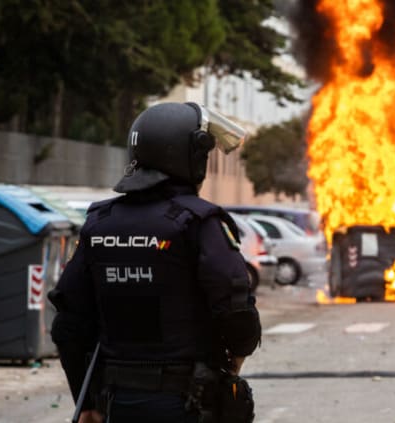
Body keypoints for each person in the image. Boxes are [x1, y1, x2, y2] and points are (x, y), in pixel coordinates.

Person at [48, 102, 261, 423]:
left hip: (116, 403)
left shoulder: (99, 223)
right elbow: (237, 312)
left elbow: (68, 326)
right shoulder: (198, 223)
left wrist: (87, 401)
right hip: (187, 403)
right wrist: (233, 364)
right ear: (190, 157)